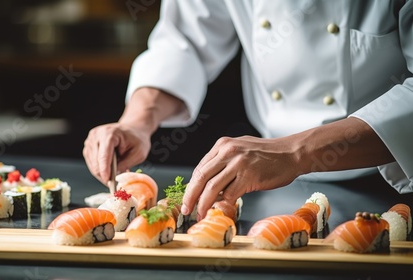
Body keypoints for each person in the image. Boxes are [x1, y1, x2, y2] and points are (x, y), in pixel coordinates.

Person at [83, 1, 413, 220]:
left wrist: (294, 151)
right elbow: (185, 42)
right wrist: (137, 121)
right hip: (278, 183)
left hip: (393, 175)